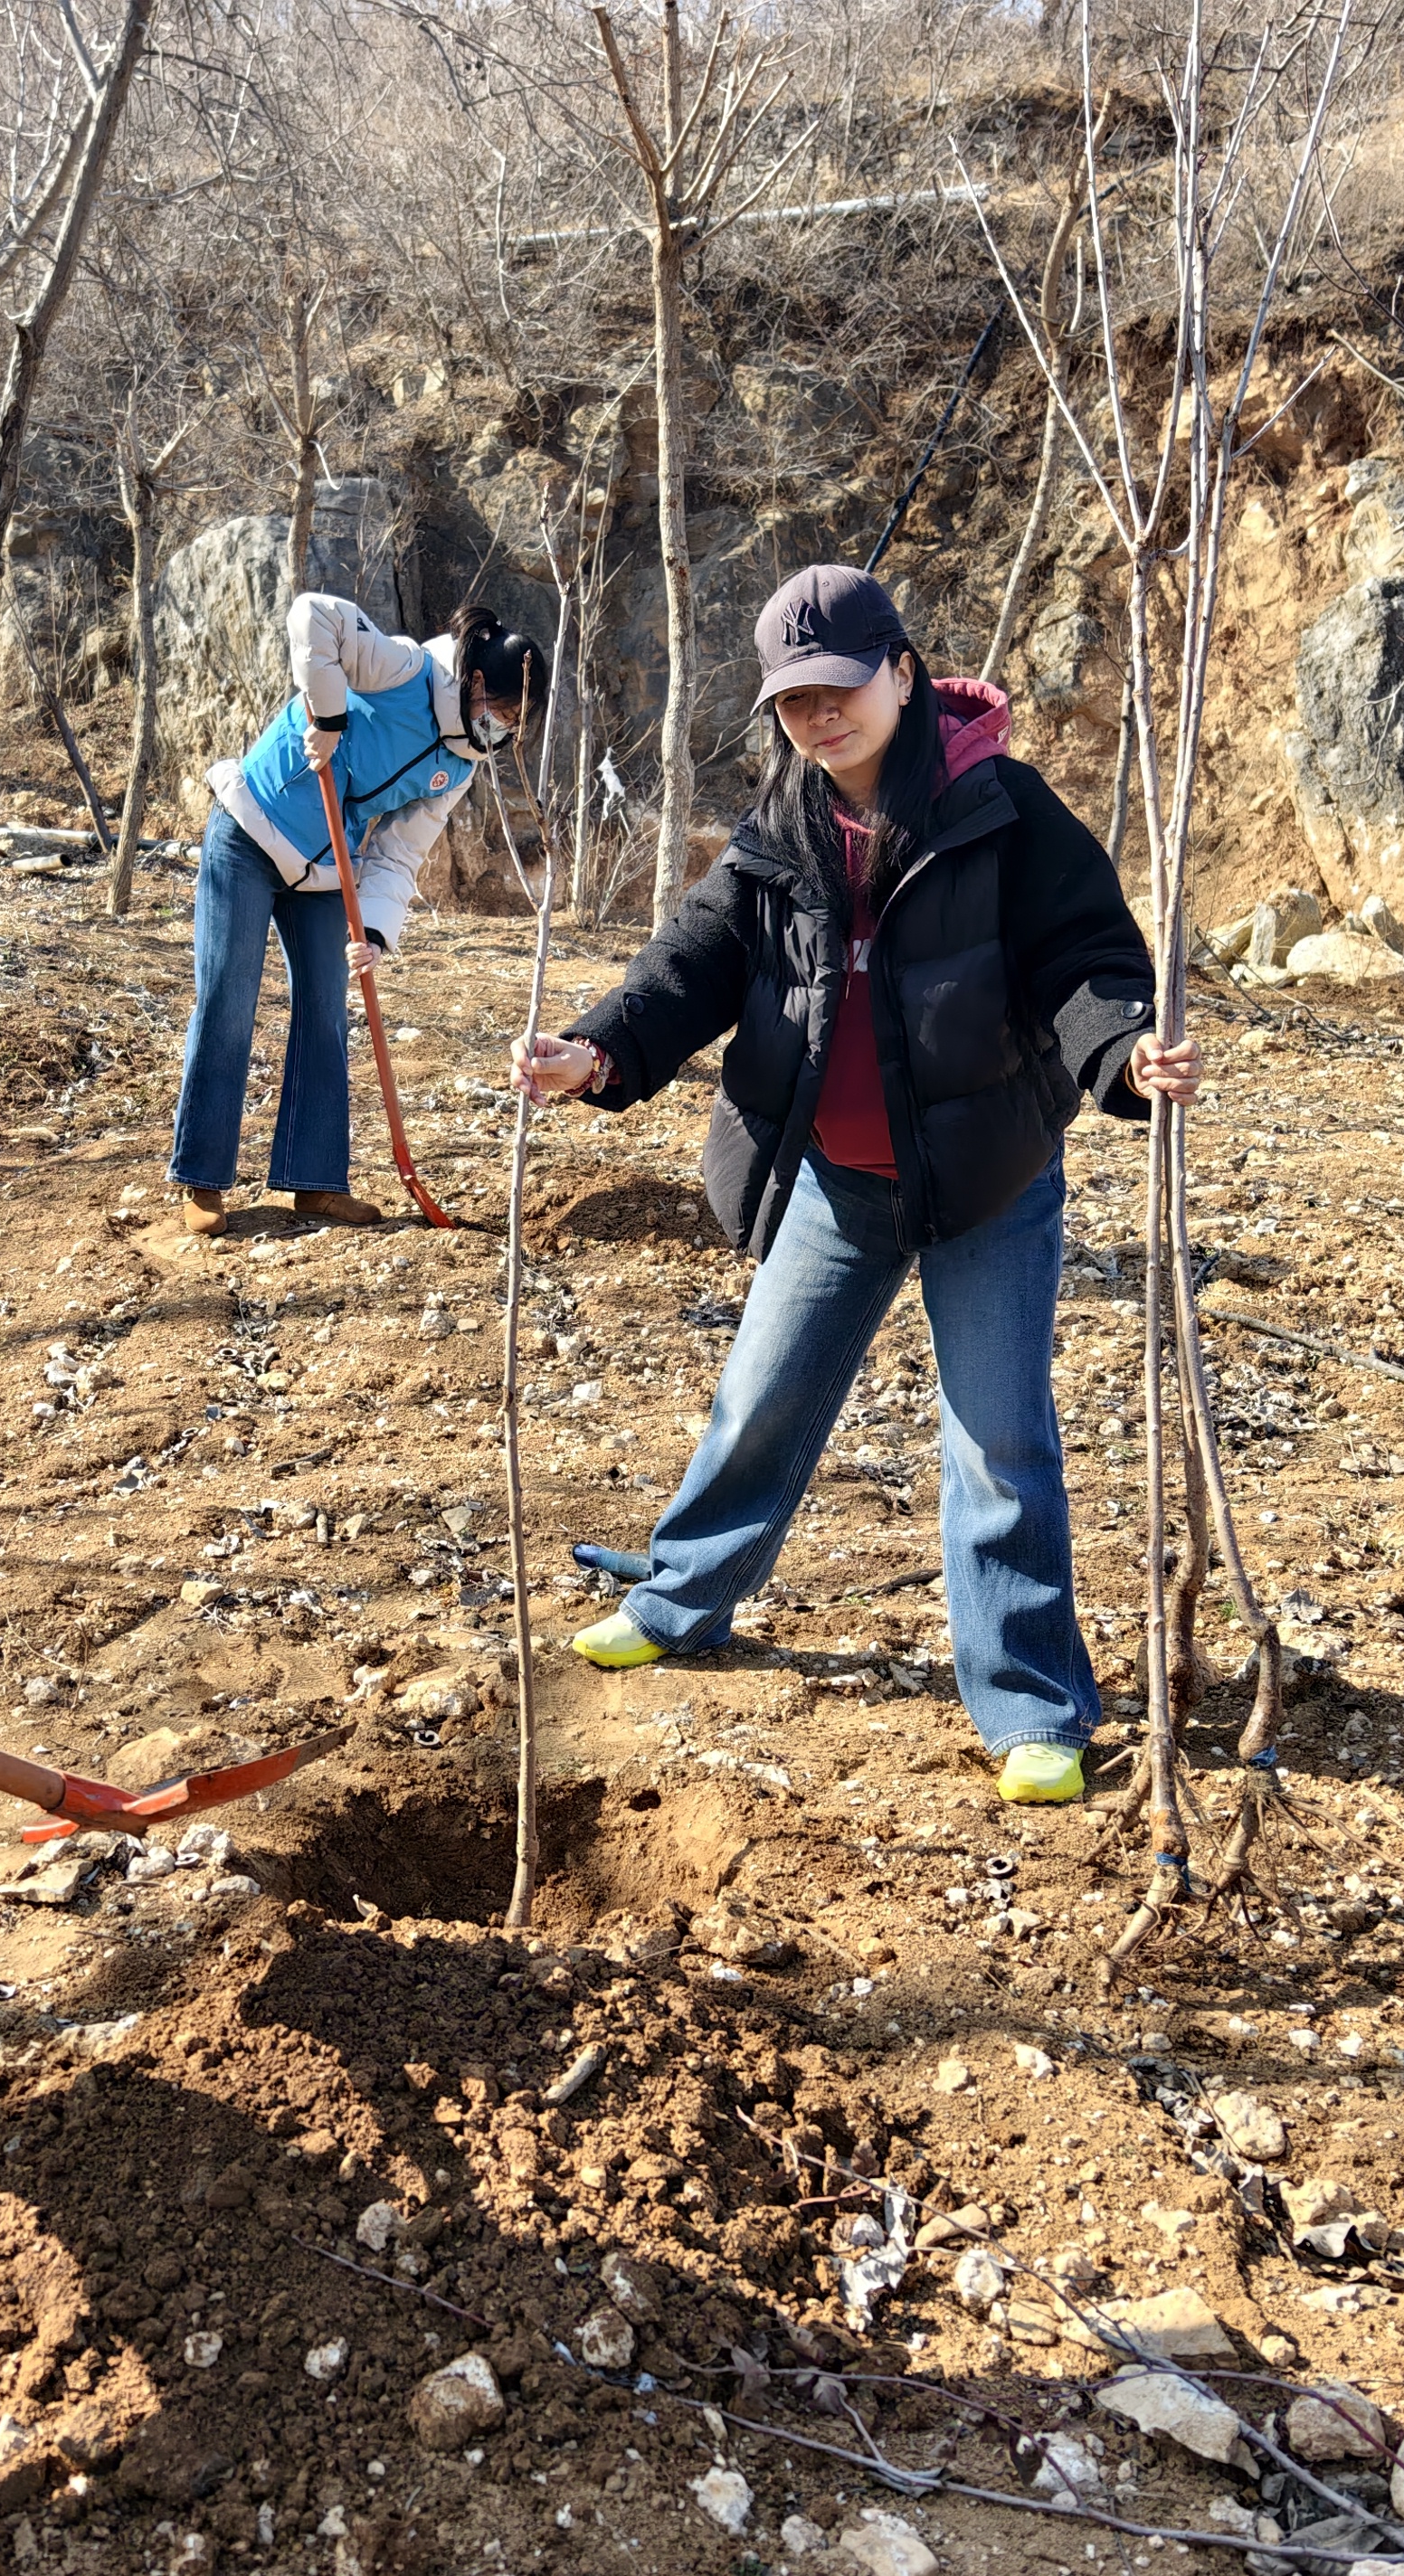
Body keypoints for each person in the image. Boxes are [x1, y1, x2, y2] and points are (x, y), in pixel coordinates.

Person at [513, 564, 1198, 1810]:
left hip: (987, 1181)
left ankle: (1035, 1708)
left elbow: (1088, 958)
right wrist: (599, 1051)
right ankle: (678, 1604)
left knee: (999, 1445)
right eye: (793, 700)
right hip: (836, 1180)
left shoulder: (1004, 808)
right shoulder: (783, 823)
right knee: (758, 1399)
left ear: (900, 669)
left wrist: (1125, 1056)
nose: (819, 718)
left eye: (839, 689)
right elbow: (696, 959)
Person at [168, 594, 545, 1233]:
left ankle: (313, 1182)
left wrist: (369, 930)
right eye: (504, 712)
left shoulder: (457, 767)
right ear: (477, 682)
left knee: (325, 1011)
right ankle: (202, 1181)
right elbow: (314, 614)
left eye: (516, 722)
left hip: (322, 869)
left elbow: (399, 855)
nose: (504, 730)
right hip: (249, 828)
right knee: (230, 997)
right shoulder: (404, 669)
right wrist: (331, 714)